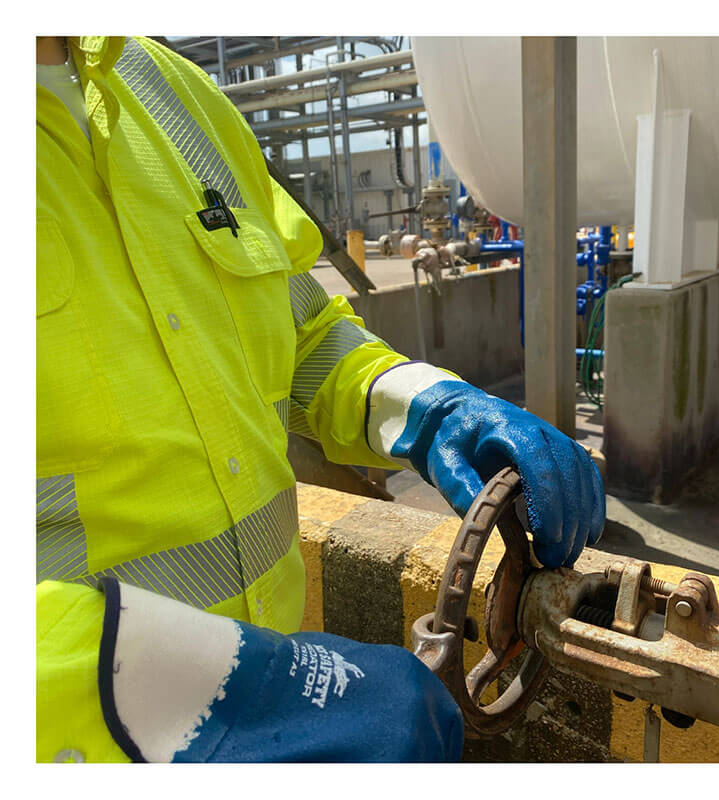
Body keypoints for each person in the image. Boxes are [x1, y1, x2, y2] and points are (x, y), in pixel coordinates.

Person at [36, 36, 605, 763]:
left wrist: (427, 407)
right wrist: (210, 695)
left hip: (281, 727)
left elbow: (299, 328)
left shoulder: (169, 92)